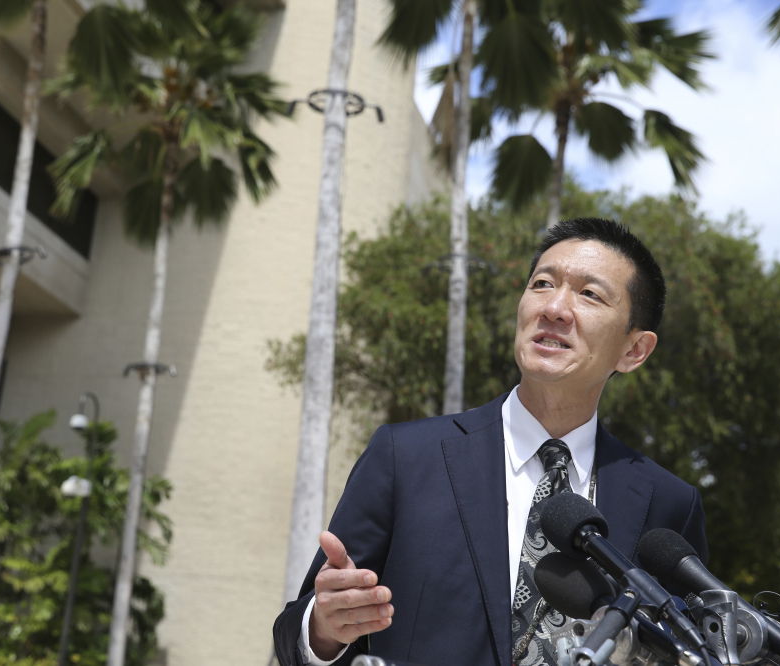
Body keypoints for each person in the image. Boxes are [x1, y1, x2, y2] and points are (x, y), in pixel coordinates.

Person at [273, 218, 708, 666]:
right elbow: (293, 636)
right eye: (542, 284)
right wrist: (324, 629)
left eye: (589, 294)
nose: (555, 307)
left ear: (634, 349)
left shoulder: (669, 503)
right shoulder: (405, 457)